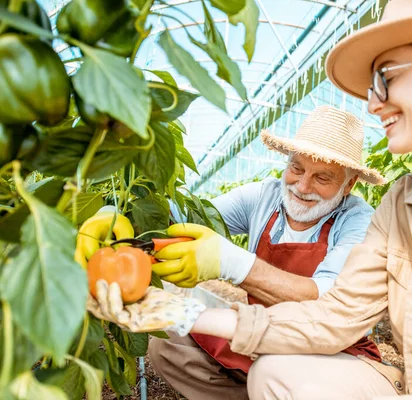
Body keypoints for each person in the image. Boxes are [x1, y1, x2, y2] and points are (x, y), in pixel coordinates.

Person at [86, 0, 412, 398]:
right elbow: (333, 316)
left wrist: (230, 268)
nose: (374, 101)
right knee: (281, 377)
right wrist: (173, 311)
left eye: (386, 75)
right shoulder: (404, 201)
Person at [79, 105, 386, 399]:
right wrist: (118, 209)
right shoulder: (264, 197)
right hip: (260, 336)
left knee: (275, 371)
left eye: (322, 177)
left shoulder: (358, 221)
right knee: (169, 345)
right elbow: (185, 217)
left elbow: (327, 301)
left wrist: (231, 262)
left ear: (348, 185)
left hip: (330, 354)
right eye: (296, 168)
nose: (303, 186)